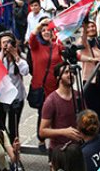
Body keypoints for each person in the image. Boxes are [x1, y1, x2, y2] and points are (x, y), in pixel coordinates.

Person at [28, 18, 64, 151]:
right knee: (43, 114)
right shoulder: (36, 45)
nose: (46, 32)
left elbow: (66, 56)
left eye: (48, 30)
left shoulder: (57, 46)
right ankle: (41, 139)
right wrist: (43, 23)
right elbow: (32, 35)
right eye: (43, 30)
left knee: (57, 114)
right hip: (41, 88)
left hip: (55, 86)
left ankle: (55, 140)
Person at [39, 62, 82, 155]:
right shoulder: (51, 101)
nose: (70, 74)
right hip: (59, 151)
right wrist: (64, 132)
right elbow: (42, 131)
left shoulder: (78, 95)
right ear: (58, 77)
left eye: (71, 71)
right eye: (66, 72)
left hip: (77, 149)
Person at [0, 31, 29, 142]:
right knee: (0, 127)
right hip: (0, 98)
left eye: (9, 42)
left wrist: (15, 55)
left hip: (16, 98)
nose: (6, 45)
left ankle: (15, 151)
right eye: (4, 42)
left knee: (14, 129)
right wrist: (2, 55)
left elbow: (25, 72)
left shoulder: (19, 56)